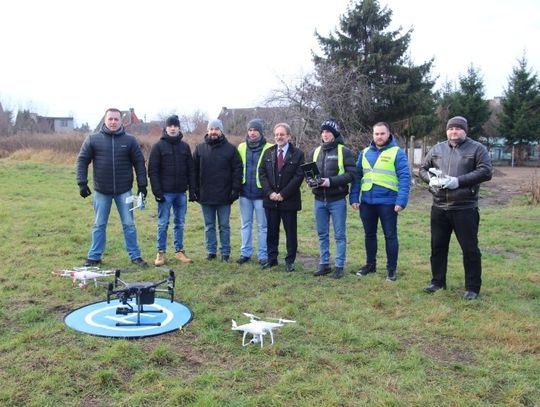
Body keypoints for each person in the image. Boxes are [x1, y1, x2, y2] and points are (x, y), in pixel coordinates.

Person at [419, 116, 492, 300]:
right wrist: (431, 179)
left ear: (465, 131)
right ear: (446, 131)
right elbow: (422, 169)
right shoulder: (437, 148)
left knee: (470, 249)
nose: (454, 132)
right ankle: (437, 282)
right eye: (451, 129)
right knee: (437, 247)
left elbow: (485, 171)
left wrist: (457, 181)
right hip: (439, 207)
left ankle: (472, 288)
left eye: (458, 129)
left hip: (465, 207)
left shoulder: (477, 148)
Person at [76, 107, 148, 267]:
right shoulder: (93, 139)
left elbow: (139, 163)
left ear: (121, 121)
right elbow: (82, 161)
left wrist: (142, 186)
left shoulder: (130, 140)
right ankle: (94, 256)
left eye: (116, 119)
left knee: (129, 225)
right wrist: (82, 182)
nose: (113, 122)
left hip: (124, 191)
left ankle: (135, 256)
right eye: (110, 119)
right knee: (99, 224)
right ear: (105, 120)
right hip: (102, 191)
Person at [350, 122, 410, 281]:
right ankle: (370, 265)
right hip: (367, 202)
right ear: (373, 135)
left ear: (388, 134)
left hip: (388, 202)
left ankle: (391, 269)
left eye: (382, 133)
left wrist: (401, 201)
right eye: (376, 134)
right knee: (369, 235)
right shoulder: (364, 152)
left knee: (390, 236)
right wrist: (354, 197)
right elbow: (357, 176)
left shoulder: (397, 152)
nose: (379, 136)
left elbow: (404, 177)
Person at [148, 115, 197, 267]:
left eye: (176, 125)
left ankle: (179, 251)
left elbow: (191, 170)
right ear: (166, 128)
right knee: (163, 223)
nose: (173, 128)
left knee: (180, 223)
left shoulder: (185, 147)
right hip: (165, 193)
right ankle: (160, 253)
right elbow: (153, 171)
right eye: (170, 126)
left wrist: (192, 190)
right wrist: (157, 191)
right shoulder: (158, 147)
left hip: (181, 193)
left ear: (179, 128)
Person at [310, 119, 356, 279]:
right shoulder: (316, 151)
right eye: (323, 132)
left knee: (339, 235)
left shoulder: (344, 151)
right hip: (318, 199)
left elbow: (351, 174)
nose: (325, 134)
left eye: (328, 131)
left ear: (334, 134)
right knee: (322, 233)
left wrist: (330, 182)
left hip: (337, 200)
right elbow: (311, 172)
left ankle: (339, 266)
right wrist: (311, 181)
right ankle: (324, 264)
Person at [193, 119, 243, 262]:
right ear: (208, 131)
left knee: (224, 226)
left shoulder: (231, 149)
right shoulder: (200, 149)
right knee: (209, 226)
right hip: (205, 195)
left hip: (225, 195)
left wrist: (235, 189)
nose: (213, 131)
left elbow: (237, 170)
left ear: (221, 131)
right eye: (211, 129)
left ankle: (225, 253)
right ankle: (211, 251)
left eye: (216, 129)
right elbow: (194, 171)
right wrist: (194, 189)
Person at [259, 123, 305, 272]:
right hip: (270, 200)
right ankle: (272, 259)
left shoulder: (298, 154)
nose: (279, 137)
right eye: (277, 134)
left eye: (282, 134)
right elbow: (262, 174)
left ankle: (290, 261)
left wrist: (283, 194)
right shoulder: (268, 152)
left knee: (290, 232)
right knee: (272, 231)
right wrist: (270, 193)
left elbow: (298, 177)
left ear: (289, 136)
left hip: (289, 200)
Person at [236, 119, 273, 265]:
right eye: (250, 130)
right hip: (245, 193)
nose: (252, 133)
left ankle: (263, 255)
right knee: (246, 224)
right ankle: (245, 252)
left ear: (260, 131)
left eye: (255, 130)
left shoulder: (270, 147)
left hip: (261, 194)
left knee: (262, 226)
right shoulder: (241, 147)